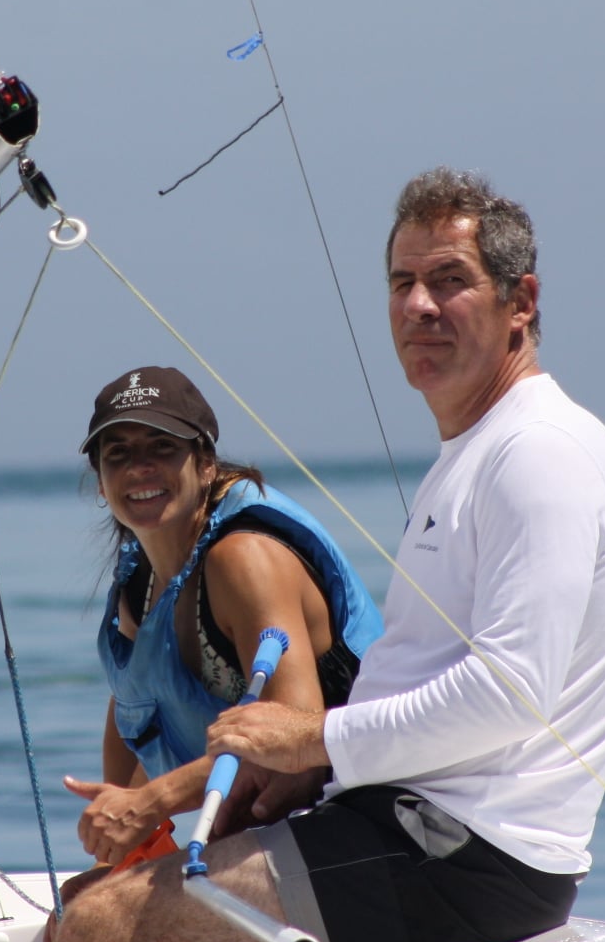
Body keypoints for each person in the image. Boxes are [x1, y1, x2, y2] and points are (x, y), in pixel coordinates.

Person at [51, 169, 605, 942]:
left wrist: (310, 739)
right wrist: (300, 764)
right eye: (402, 283)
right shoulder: (478, 454)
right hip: (410, 825)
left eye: (449, 281)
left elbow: (511, 694)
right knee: (101, 902)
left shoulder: (538, 455)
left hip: (464, 855)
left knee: (102, 928)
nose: (419, 306)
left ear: (522, 300)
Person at [63, 366, 383, 875]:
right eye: (118, 453)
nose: (140, 467)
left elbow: (292, 742)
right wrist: (115, 851)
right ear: (100, 481)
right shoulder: (138, 585)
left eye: (162, 447)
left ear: (206, 464)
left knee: (100, 915)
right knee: (87, 898)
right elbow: (134, 701)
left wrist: (151, 802)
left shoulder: (244, 560)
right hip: (269, 829)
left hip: (366, 820)